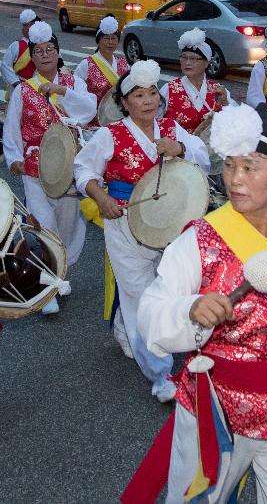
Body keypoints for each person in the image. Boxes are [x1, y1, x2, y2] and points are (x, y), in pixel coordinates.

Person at [125, 103, 267, 504]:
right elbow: (151, 309)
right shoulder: (200, 239)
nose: (235, 179)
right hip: (218, 411)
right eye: (229, 166)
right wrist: (189, 310)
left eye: (250, 167)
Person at [74, 59, 210, 403]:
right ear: (124, 102)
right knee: (139, 295)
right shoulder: (109, 134)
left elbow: (203, 156)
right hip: (125, 224)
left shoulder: (172, 128)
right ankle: (161, 373)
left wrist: (180, 148)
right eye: (138, 95)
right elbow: (83, 168)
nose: (148, 100)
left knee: (171, 287)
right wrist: (101, 196)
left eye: (152, 93)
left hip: (171, 222)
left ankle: (128, 329)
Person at [3, 21, 96, 315]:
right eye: (39, 51)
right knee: (44, 225)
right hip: (35, 167)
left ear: (57, 53)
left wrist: (60, 90)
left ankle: (58, 273)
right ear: (31, 56)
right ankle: (48, 288)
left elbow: (89, 109)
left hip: (68, 167)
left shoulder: (72, 84)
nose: (45, 54)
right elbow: (12, 128)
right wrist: (14, 157)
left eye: (50, 49)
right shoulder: (22, 90)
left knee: (66, 226)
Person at [162, 27, 231, 134]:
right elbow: (154, 123)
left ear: (206, 63)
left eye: (193, 58)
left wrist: (225, 103)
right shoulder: (169, 90)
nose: (187, 62)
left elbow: (233, 122)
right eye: (184, 57)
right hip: (177, 149)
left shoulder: (219, 90)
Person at [73, 15, 129, 126]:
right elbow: (76, 91)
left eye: (113, 38)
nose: (110, 42)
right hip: (95, 121)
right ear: (98, 41)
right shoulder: (87, 64)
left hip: (121, 118)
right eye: (106, 38)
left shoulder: (123, 63)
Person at [0, 8, 38, 94]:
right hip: (19, 88)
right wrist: (16, 83)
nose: (27, 28)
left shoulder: (44, 44)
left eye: (30, 25)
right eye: (25, 25)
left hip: (39, 87)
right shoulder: (16, 45)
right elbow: (5, 65)